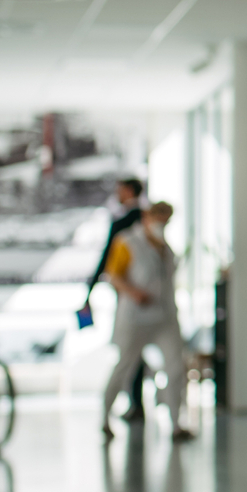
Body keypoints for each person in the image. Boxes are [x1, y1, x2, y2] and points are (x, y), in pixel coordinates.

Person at [99, 201, 192, 443]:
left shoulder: (166, 249)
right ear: (147, 218)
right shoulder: (127, 242)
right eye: (159, 219)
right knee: (124, 368)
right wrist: (133, 292)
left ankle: (175, 424)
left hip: (164, 316)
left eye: (166, 221)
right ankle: (104, 419)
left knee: (175, 368)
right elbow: (112, 275)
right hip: (135, 317)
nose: (162, 225)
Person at [80, 176, 149, 421]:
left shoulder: (123, 223)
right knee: (135, 350)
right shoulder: (145, 220)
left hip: (131, 295)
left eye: (119, 189)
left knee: (129, 350)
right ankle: (135, 401)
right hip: (146, 294)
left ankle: (131, 402)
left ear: (129, 191)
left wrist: (90, 289)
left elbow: (107, 260)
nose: (116, 193)